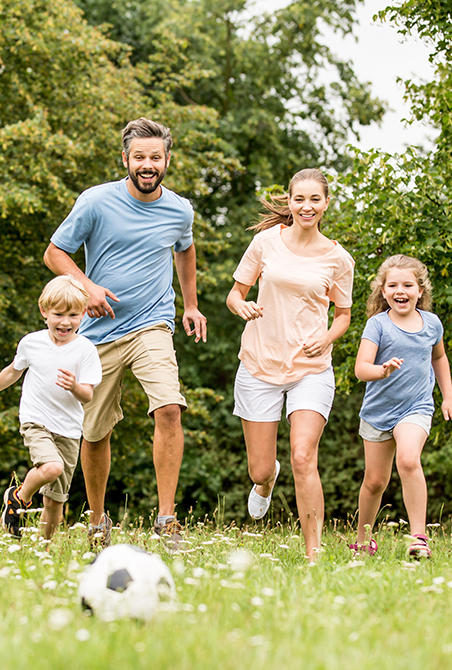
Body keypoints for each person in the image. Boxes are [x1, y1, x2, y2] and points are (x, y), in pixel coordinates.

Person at [43, 117, 206, 549]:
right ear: (126, 160)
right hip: (98, 333)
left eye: (156, 157)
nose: (147, 165)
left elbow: (185, 248)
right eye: (140, 157)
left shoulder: (179, 209)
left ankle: (167, 519)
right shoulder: (96, 202)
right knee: (95, 433)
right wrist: (87, 287)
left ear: (167, 160)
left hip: (153, 322)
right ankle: (97, 520)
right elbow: (54, 252)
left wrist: (189, 304)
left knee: (169, 407)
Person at [226, 168, 354, 561]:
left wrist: (328, 337)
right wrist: (242, 306)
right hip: (259, 364)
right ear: (290, 202)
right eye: (300, 199)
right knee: (260, 470)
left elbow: (344, 315)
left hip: (310, 369)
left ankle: (313, 555)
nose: (307, 206)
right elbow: (234, 294)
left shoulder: (338, 259)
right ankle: (266, 484)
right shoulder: (266, 243)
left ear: (326, 203)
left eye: (315, 199)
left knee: (303, 456)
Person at [351, 254, 452, 558]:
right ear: (383, 292)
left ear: (420, 290)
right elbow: (360, 368)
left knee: (408, 460)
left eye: (408, 284)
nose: (400, 290)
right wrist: (382, 370)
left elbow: (439, 358)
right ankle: (363, 540)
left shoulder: (432, 324)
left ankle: (418, 538)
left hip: (416, 407)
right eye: (392, 285)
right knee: (374, 482)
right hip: (378, 412)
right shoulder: (377, 325)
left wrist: (447, 395)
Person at [0, 275, 102, 540]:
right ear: (44, 311)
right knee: (52, 467)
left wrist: (74, 386)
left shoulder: (85, 350)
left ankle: (42, 548)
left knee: (55, 501)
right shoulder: (31, 343)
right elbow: (13, 372)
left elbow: (87, 395)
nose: (65, 322)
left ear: (83, 315)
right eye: (58, 314)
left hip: (69, 430)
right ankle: (18, 497)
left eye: (73, 315)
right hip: (36, 420)